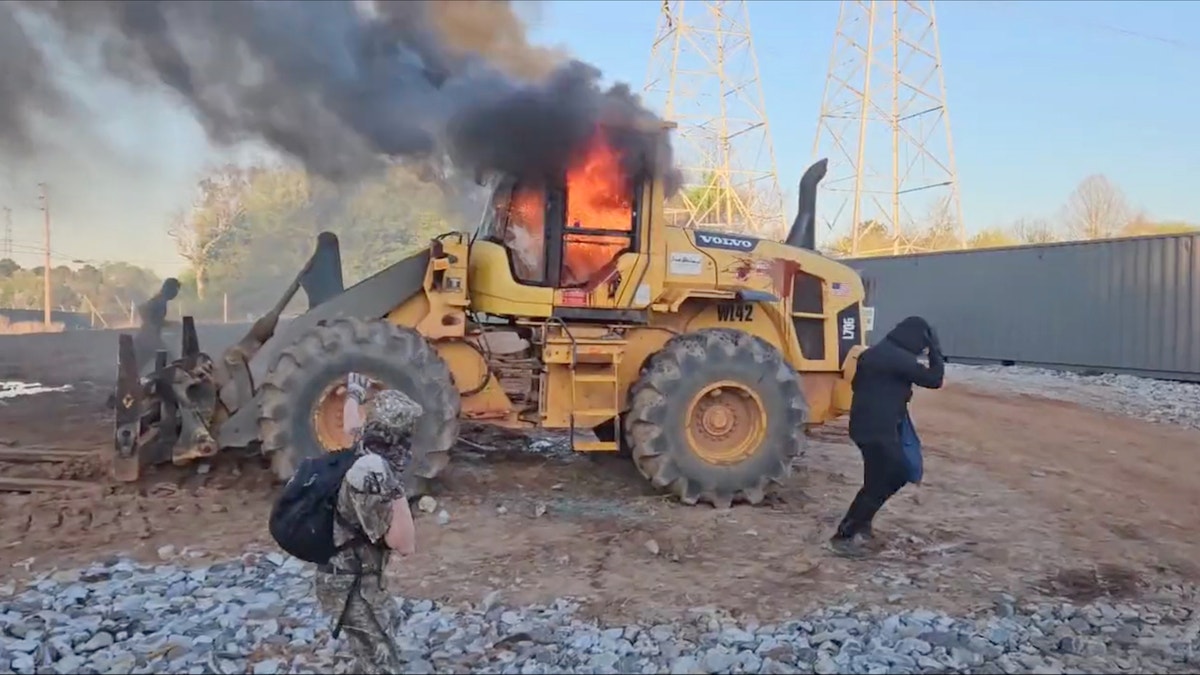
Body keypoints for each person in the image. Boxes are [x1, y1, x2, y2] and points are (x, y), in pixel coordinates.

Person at [313, 389, 421, 674]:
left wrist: (353, 392)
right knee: (384, 664)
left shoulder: (363, 443)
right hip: (350, 586)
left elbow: (350, 421)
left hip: (357, 579)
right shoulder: (372, 473)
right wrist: (397, 491)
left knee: (386, 629)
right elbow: (403, 543)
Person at [831, 315, 944, 558]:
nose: (921, 350)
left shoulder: (871, 354)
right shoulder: (899, 359)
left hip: (863, 427)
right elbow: (935, 380)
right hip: (879, 431)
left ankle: (861, 525)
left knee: (876, 480)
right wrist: (936, 349)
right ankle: (844, 535)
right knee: (896, 474)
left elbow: (858, 385)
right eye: (923, 345)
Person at [133, 277, 180, 372]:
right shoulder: (159, 300)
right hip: (149, 338)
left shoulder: (161, 300)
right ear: (169, 289)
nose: (176, 293)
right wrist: (149, 326)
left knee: (136, 368)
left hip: (147, 338)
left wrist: (169, 324)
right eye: (175, 290)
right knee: (169, 362)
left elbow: (156, 320)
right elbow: (143, 309)